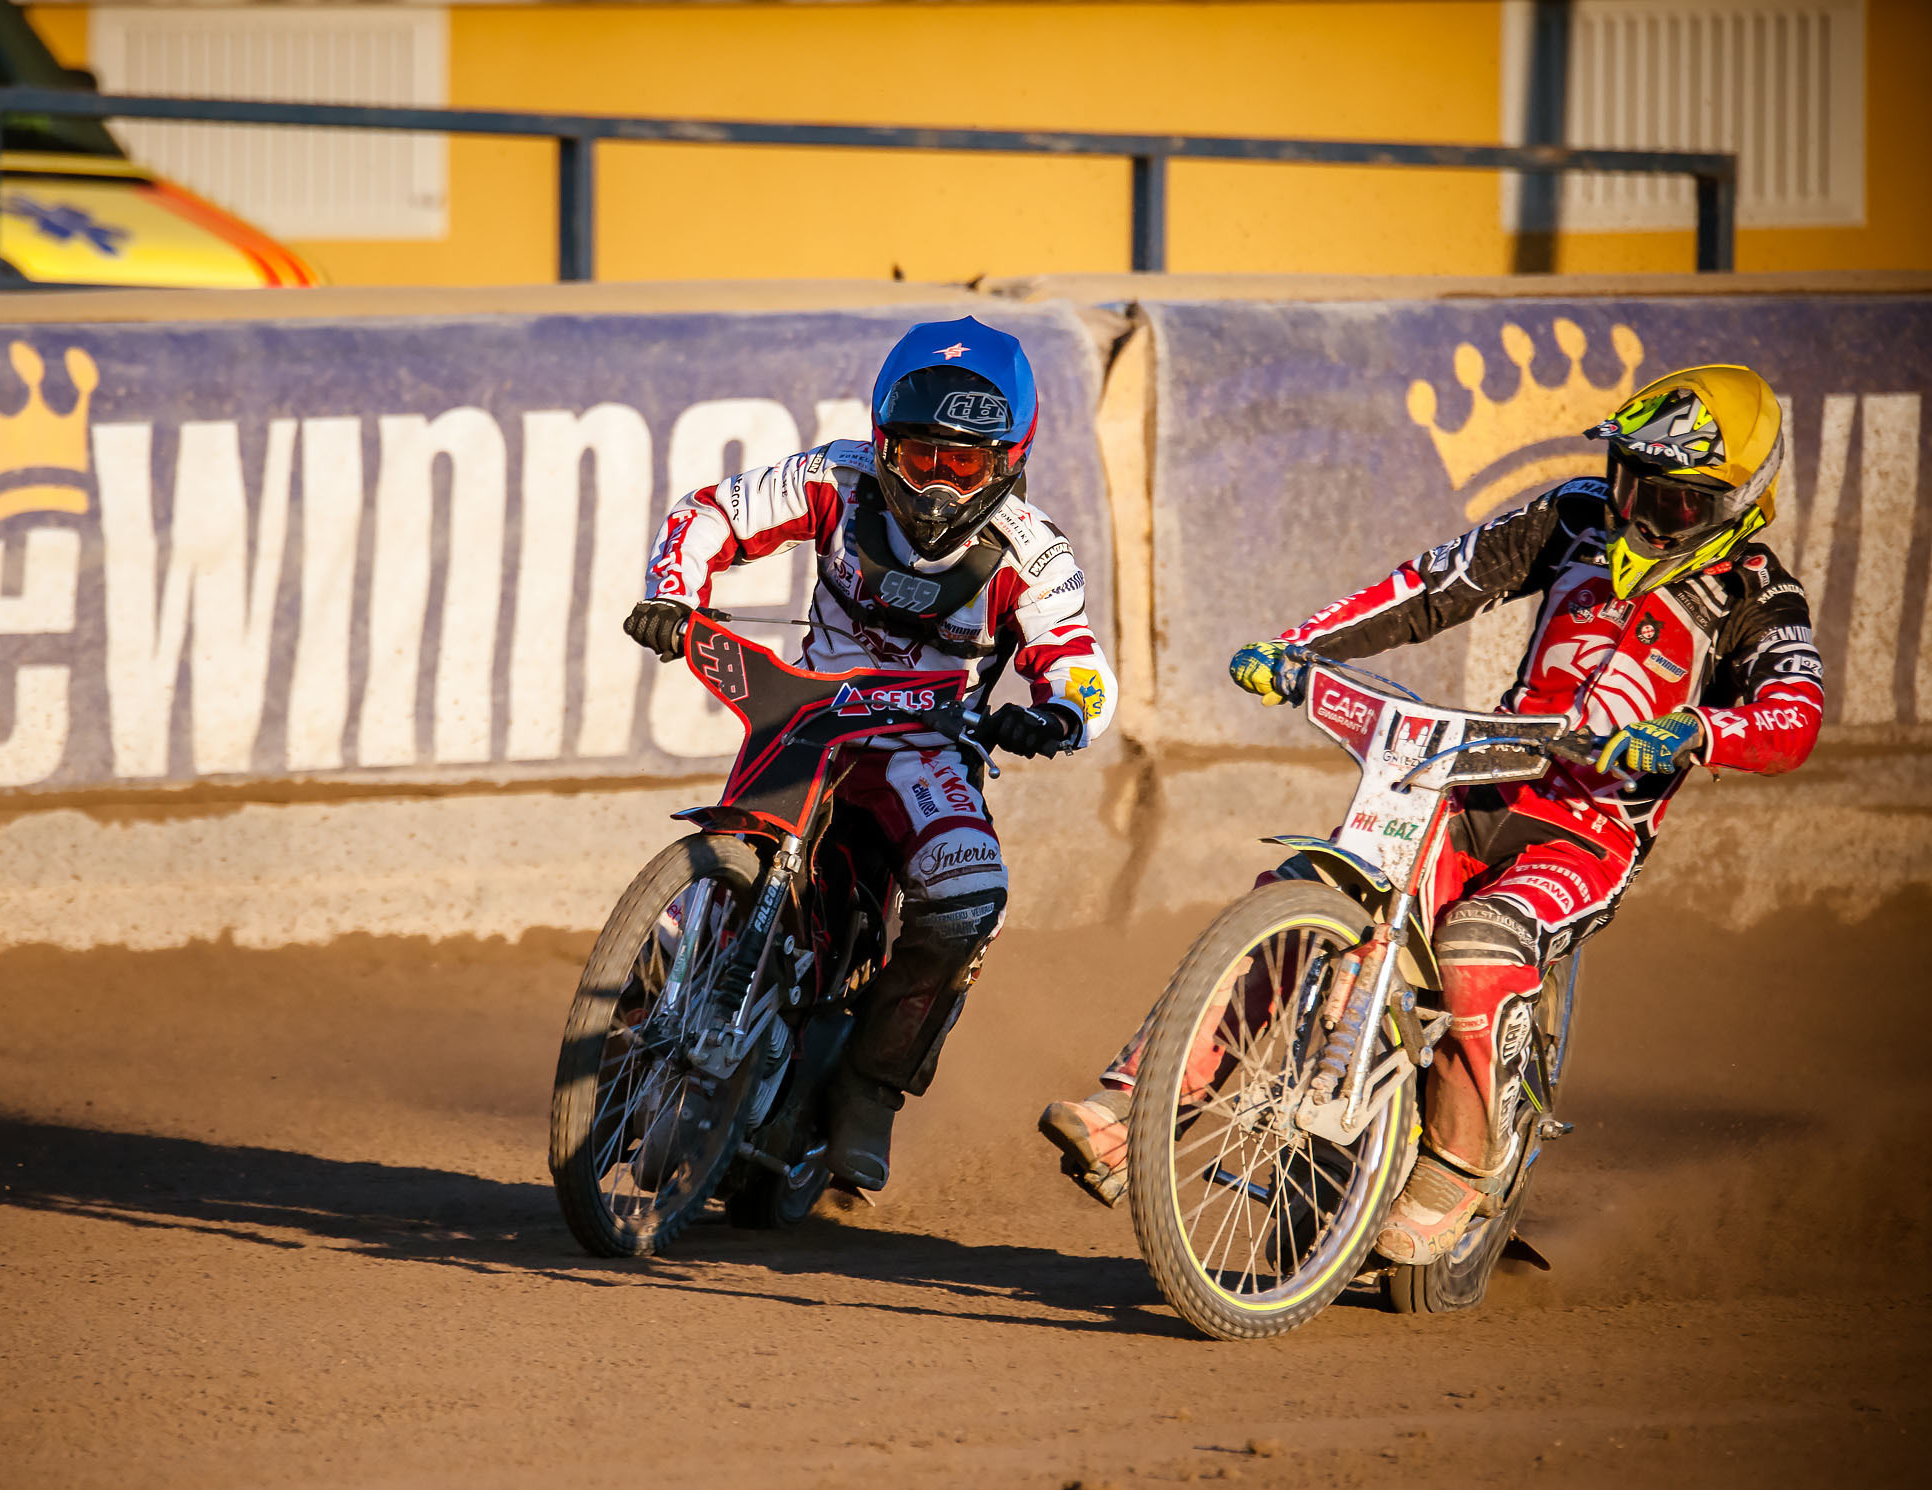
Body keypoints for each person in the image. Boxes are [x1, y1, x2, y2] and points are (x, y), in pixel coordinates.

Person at [1040, 363, 1822, 1263]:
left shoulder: (1759, 595)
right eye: (1631, 482)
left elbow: (1793, 716)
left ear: (1737, 504)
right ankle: (1136, 1107)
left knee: (1478, 945)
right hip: (1479, 778)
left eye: (1674, 501)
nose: (1640, 513)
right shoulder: (1573, 515)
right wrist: (1302, 647)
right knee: (1307, 890)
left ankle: (1459, 1167)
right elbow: (1434, 585)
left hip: (1590, 832)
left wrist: (1693, 731)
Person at [627, 317, 1118, 1194]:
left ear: (1007, 460)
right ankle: (626, 1047)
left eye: (961, 462)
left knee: (971, 898)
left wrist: (1057, 714)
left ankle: (870, 1085)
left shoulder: (1032, 552)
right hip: (803, 716)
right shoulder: (835, 476)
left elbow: (1081, 663)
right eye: (919, 455)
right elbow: (710, 513)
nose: (934, 482)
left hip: (926, 747)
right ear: (883, 441)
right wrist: (673, 594)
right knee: (683, 908)